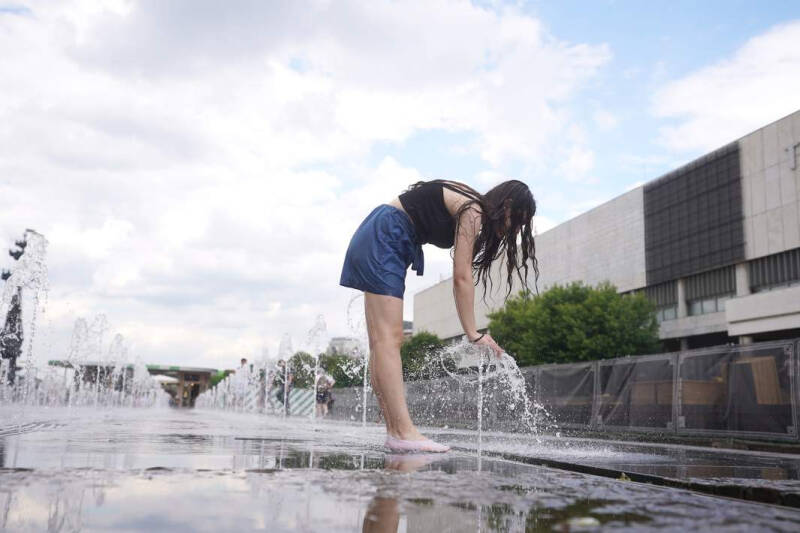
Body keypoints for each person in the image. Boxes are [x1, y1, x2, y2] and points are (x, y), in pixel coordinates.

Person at [340, 179, 538, 453]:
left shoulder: (468, 201)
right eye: (516, 220)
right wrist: (473, 333)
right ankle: (403, 432)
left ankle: (395, 430)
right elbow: (461, 276)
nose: (513, 230)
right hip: (387, 234)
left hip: (380, 231)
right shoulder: (474, 211)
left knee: (380, 342)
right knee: (389, 339)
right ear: (507, 206)